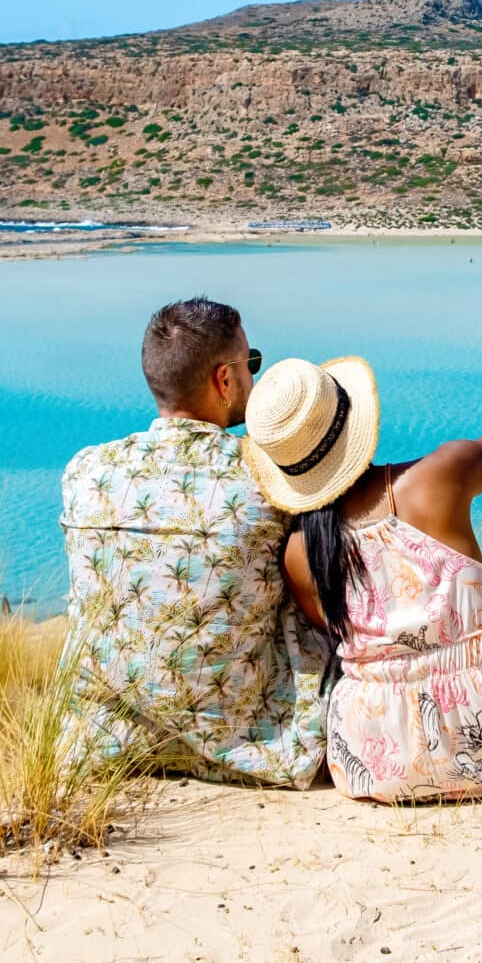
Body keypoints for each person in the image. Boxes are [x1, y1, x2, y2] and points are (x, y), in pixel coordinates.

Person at [249, 349, 482, 803]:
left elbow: (332, 633)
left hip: (371, 760)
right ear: (354, 420)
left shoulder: (300, 552)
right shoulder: (438, 476)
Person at [58, 297, 327, 787]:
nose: (254, 379)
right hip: (253, 742)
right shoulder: (264, 475)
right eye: (252, 364)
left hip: (107, 742)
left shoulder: (85, 472)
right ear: (225, 380)